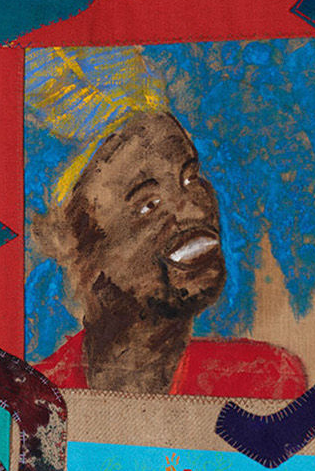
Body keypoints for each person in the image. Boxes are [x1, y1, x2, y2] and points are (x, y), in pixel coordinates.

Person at [30, 105, 227, 395]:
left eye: (190, 178)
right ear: (71, 241)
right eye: (149, 205)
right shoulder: (33, 400)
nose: (196, 210)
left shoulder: (268, 380)